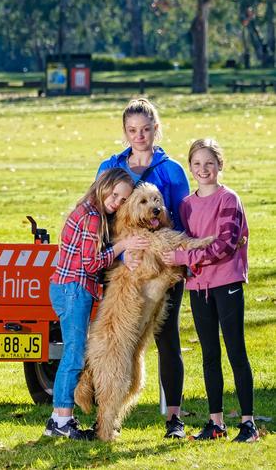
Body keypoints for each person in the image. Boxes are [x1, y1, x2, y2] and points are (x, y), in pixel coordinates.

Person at [96, 97, 190, 438]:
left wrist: (177, 258)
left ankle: (174, 419)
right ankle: (104, 414)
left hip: (162, 267)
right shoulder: (111, 165)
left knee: (167, 338)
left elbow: (181, 217)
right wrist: (122, 254)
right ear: (125, 132)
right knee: (117, 340)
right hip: (122, 268)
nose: (140, 136)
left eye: (146, 129)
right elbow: (101, 217)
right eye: (133, 130)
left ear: (156, 130)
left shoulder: (171, 170)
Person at [161, 139, 259, 442]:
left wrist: (182, 258)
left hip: (226, 283)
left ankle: (248, 423)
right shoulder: (186, 205)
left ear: (220, 165)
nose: (203, 169)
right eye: (197, 164)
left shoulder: (229, 200)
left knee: (235, 351)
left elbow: (224, 245)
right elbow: (186, 240)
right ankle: (216, 422)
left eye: (209, 163)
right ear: (190, 167)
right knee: (209, 355)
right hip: (199, 287)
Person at [44, 168, 149, 439]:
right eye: (114, 194)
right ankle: (60, 420)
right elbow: (91, 263)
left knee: (75, 352)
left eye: (124, 200)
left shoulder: (93, 212)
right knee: (74, 354)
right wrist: (123, 245)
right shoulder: (91, 218)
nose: (116, 202)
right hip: (73, 290)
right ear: (103, 185)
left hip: (72, 289)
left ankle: (61, 418)